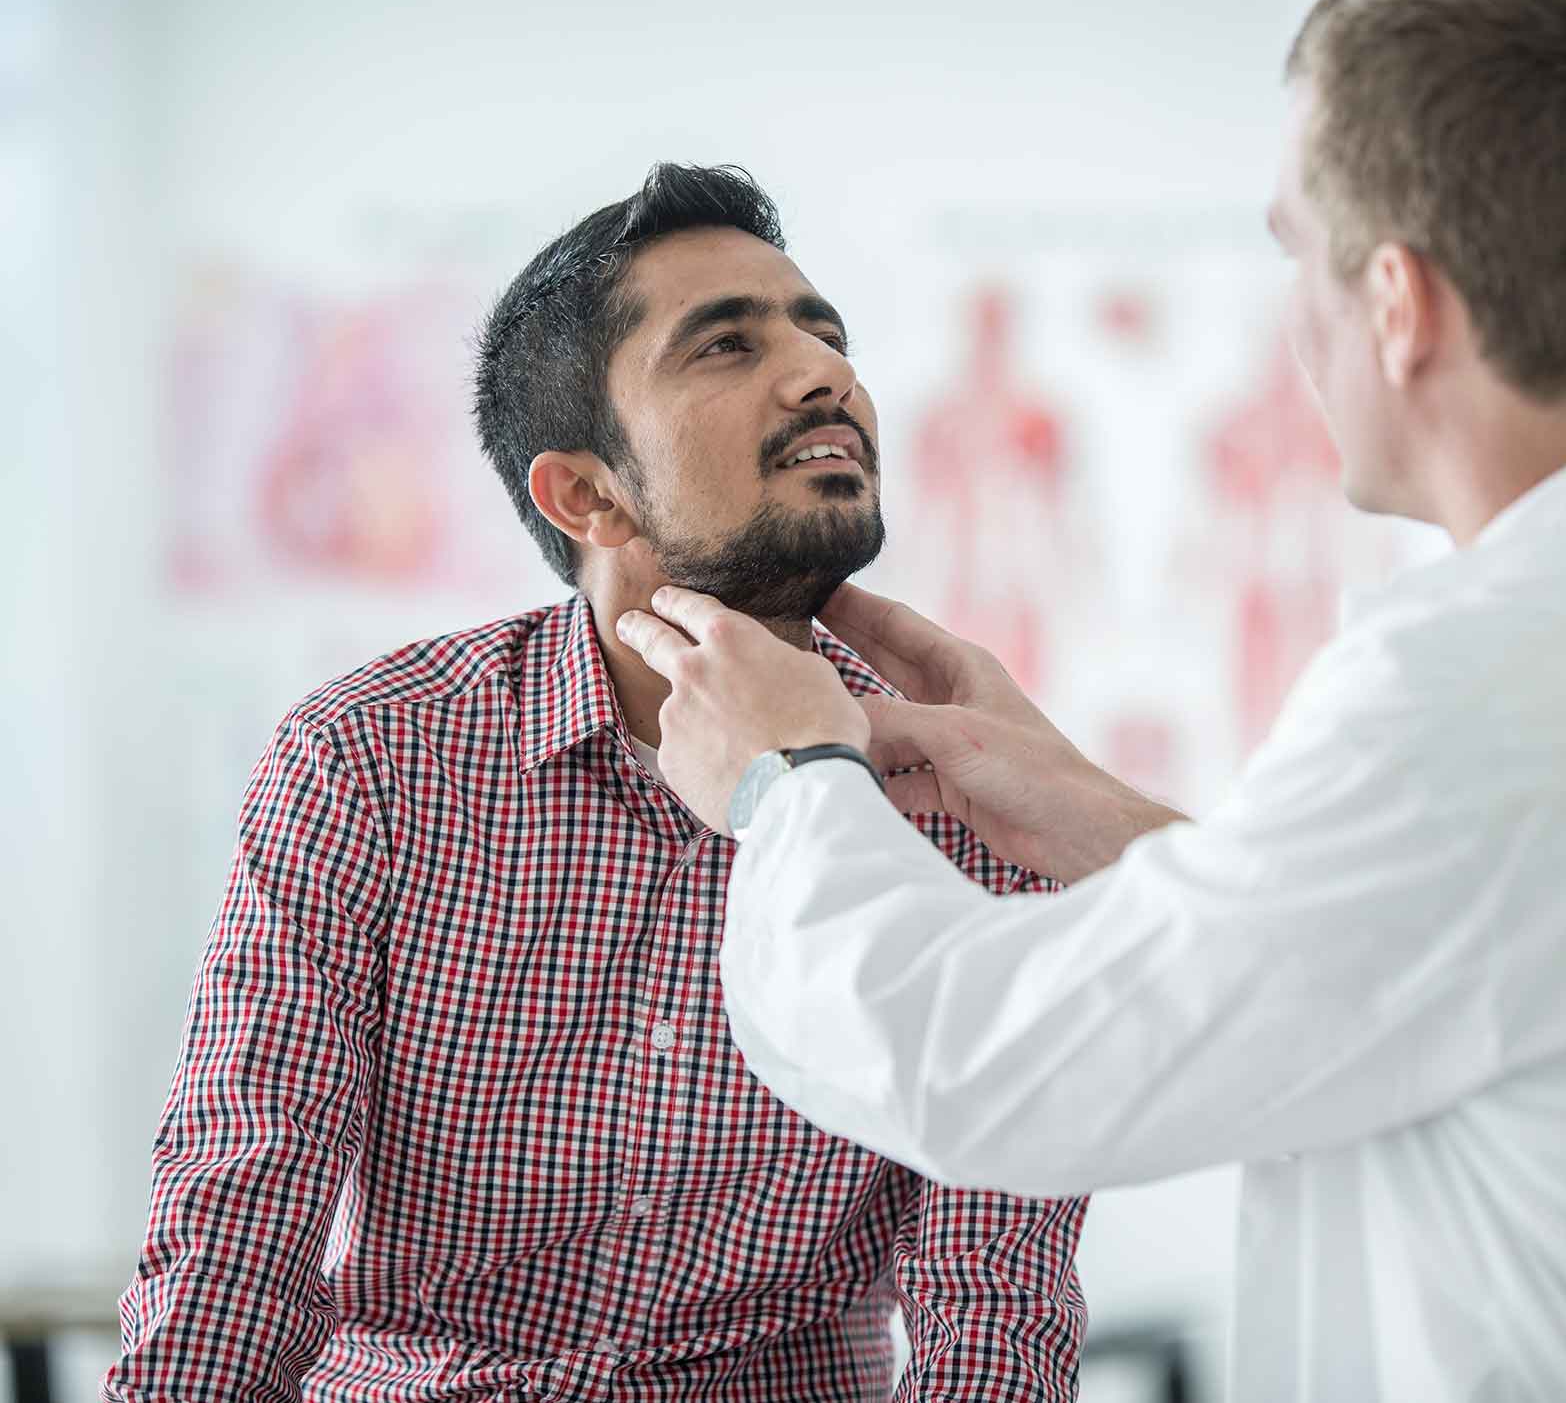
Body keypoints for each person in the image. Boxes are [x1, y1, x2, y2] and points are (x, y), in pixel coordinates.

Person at [615, 0, 1566, 1400]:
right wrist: (1109, 820)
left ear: (1394, 302)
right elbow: (1505, 962)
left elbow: (967, 1064)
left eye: (1297, 253)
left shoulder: (1484, 691)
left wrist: (787, 781)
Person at [106, 164, 1087, 1403]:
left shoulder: (971, 782)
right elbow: (241, 1219)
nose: (823, 372)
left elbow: (993, 1291)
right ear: (586, 493)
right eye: (726, 345)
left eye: (825, 333)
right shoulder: (368, 757)